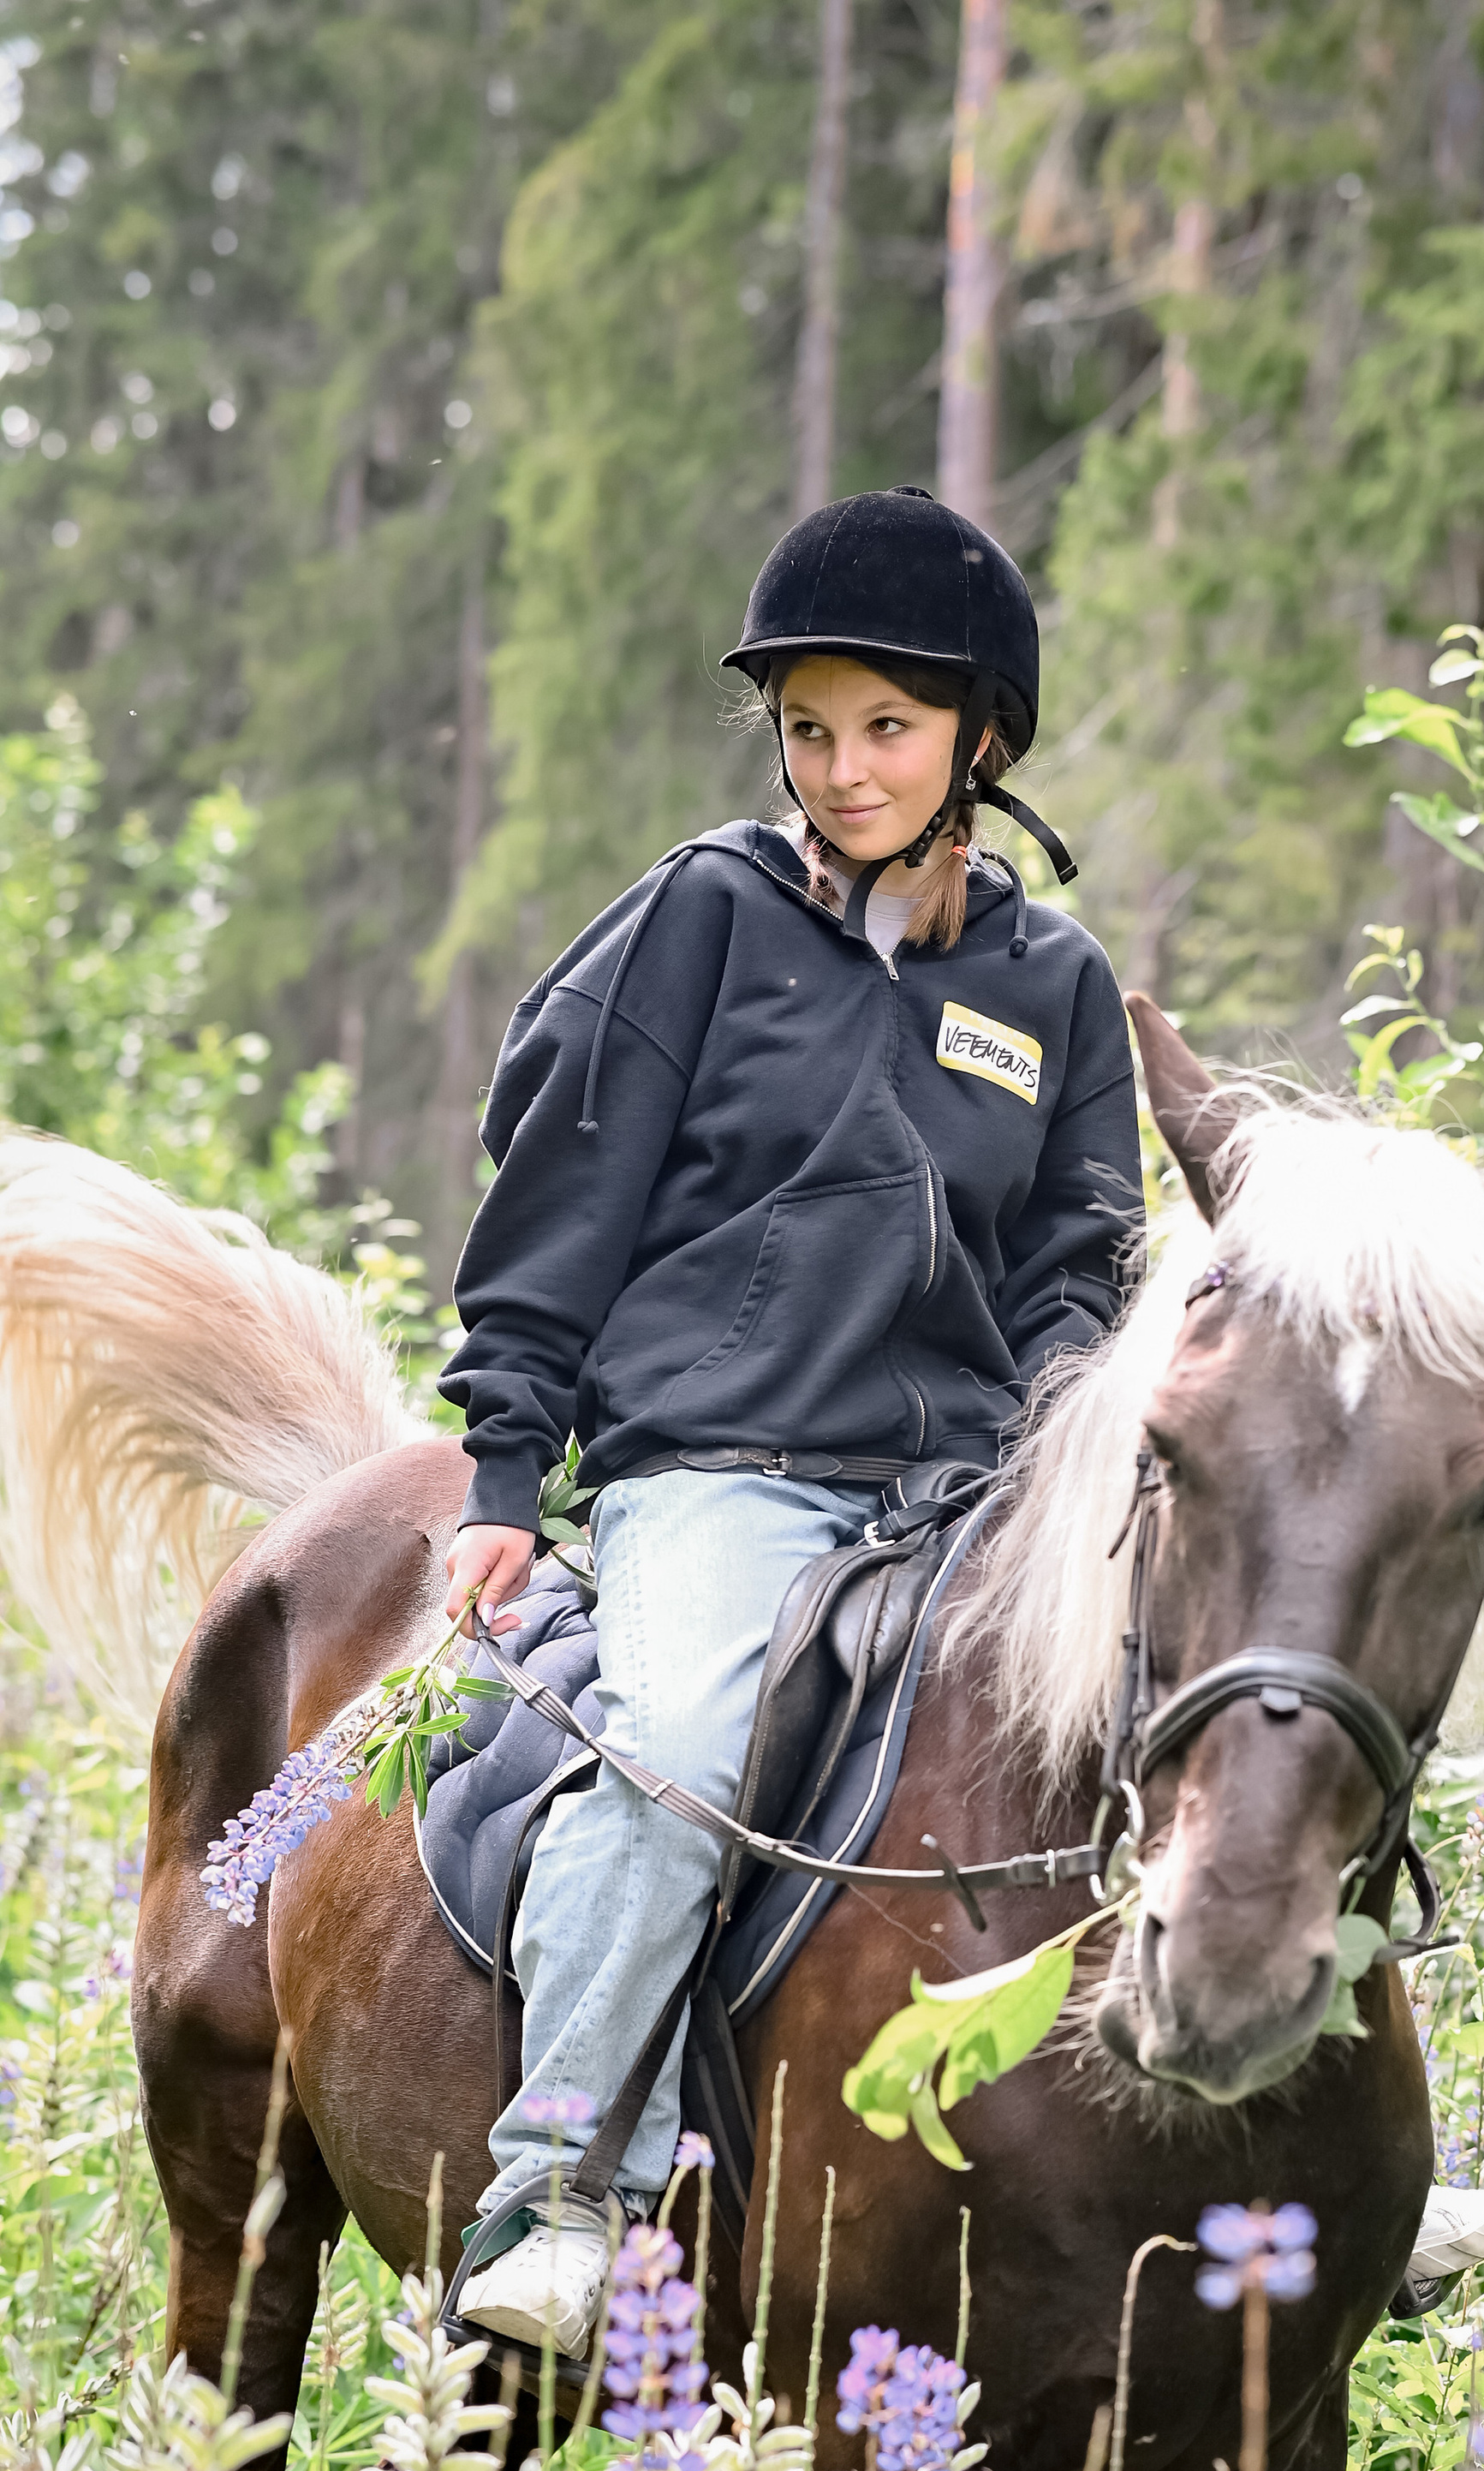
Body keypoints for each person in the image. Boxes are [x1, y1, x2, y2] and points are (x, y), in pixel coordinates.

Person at [438, 485, 1143, 2355]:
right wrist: (504, 1468)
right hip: (721, 1470)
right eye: (808, 727)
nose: (841, 769)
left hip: (966, 1490)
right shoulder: (704, 917)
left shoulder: (1053, 986)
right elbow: (559, 1199)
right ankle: (561, 2188)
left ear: (978, 741)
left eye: (886, 729)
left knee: (1216, 1698)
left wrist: (1071, 1469)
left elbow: (1081, 1267)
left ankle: (1329, 2164)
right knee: (678, 1751)